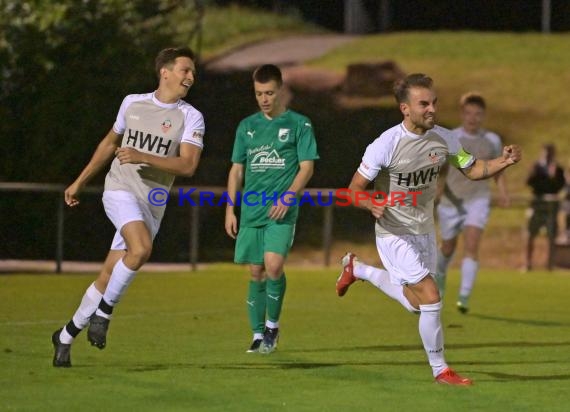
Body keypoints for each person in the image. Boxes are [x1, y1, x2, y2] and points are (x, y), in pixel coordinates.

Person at [335, 73, 521, 385]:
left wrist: (503, 162)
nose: (432, 109)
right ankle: (441, 370)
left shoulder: (445, 138)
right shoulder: (385, 145)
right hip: (393, 232)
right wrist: (370, 203)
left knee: (415, 304)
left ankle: (358, 269)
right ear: (405, 109)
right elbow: (353, 189)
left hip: (423, 231)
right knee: (432, 297)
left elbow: (473, 169)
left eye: (434, 102)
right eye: (424, 104)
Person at [51, 47, 205, 367]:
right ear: (164, 72)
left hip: (152, 203)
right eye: (184, 70)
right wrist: (81, 181)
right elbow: (110, 142)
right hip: (119, 190)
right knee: (141, 249)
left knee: (108, 274)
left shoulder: (190, 116)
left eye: (192, 72)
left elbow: (188, 165)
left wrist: (143, 156)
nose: (190, 76)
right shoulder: (132, 103)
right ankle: (104, 314)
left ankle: (65, 335)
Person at [225, 64, 319, 354]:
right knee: (255, 271)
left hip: (281, 210)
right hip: (251, 210)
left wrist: (289, 197)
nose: (264, 99)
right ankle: (256, 334)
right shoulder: (247, 126)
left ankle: (272, 328)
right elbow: (236, 170)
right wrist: (230, 208)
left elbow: (307, 167)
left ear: (280, 91)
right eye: (258, 93)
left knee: (274, 265)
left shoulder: (299, 124)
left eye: (269, 93)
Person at [435, 92, 510, 314]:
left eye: (477, 114)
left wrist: (504, 192)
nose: (473, 118)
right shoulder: (451, 138)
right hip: (451, 200)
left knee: (472, 244)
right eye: (468, 113)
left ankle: (464, 297)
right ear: (462, 114)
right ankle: (439, 283)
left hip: (477, 199)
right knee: (447, 248)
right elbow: (440, 169)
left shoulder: (493, 140)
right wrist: (436, 191)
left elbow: (499, 168)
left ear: (483, 116)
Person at [524, 143, 565, 271]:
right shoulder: (536, 167)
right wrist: (540, 177)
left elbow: (559, 186)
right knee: (530, 233)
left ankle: (549, 265)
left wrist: (553, 177)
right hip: (537, 203)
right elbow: (529, 182)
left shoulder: (558, 169)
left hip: (552, 205)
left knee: (552, 235)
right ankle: (528, 264)